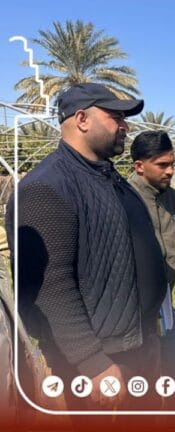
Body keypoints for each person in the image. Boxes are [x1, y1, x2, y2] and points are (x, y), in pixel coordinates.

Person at [6, 83, 166, 410]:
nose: (125, 126)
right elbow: (49, 287)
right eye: (116, 117)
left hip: (135, 342)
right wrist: (93, 362)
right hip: (101, 359)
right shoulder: (47, 188)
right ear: (81, 119)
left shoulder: (105, 176)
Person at [128, 130, 175, 409]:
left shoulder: (172, 198)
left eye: (172, 164)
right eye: (162, 165)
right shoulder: (123, 198)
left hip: (165, 301)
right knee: (144, 384)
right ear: (139, 166)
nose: (171, 171)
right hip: (133, 309)